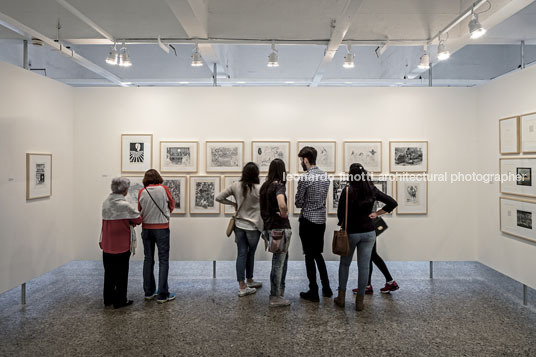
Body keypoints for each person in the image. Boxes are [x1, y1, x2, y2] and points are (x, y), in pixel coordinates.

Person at [334, 163, 397, 311]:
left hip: (351, 233)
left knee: (345, 265)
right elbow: (392, 203)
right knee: (363, 267)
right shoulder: (371, 189)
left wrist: (343, 222)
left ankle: (341, 298)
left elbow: (340, 214)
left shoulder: (347, 190)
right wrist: (377, 214)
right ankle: (360, 302)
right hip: (369, 233)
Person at [216, 162, 264, 297]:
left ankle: (243, 285)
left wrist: (233, 203)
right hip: (254, 227)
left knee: (241, 254)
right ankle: (249, 280)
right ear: (256, 174)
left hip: (239, 225)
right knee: (251, 253)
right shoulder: (259, 188)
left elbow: (218, 198)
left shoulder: (235, 186)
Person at [295, 146, 332, 302]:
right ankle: (327, 288)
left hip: (308, 220)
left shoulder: (305, 178)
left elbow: (298, 202)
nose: (301, 164)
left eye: (301, 161)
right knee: (318, 254)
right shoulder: (325, 177)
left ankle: (313, 290)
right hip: (321, 221)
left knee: (309, 256)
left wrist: (305, 202)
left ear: (305, 159)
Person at [100, 177, 142, 309]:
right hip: (121, 245)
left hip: (107, 244)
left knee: (109, 273)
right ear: (124, 190)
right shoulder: (124, 205)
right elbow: (138, 219)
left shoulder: (106, 202)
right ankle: (120, 300)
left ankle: (108, 299)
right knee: (122, 274)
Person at [138, 169, 175, 304]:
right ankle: (162, 294)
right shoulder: (164, 189)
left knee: (148, 259)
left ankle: (148, 292)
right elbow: (171, 205)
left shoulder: (142, 191)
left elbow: (139, 209)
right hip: (162, 228)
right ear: (158, 177)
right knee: (163, 260)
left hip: (147, 228)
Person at [260, 159, 292, 307]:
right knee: (278, 262)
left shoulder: (264, 187)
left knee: (282, 259)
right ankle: (275, 295)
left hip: (268, 227)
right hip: (280, 227)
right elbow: (282, 204)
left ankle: (279, 291)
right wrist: (284, 214)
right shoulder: (279, 185)